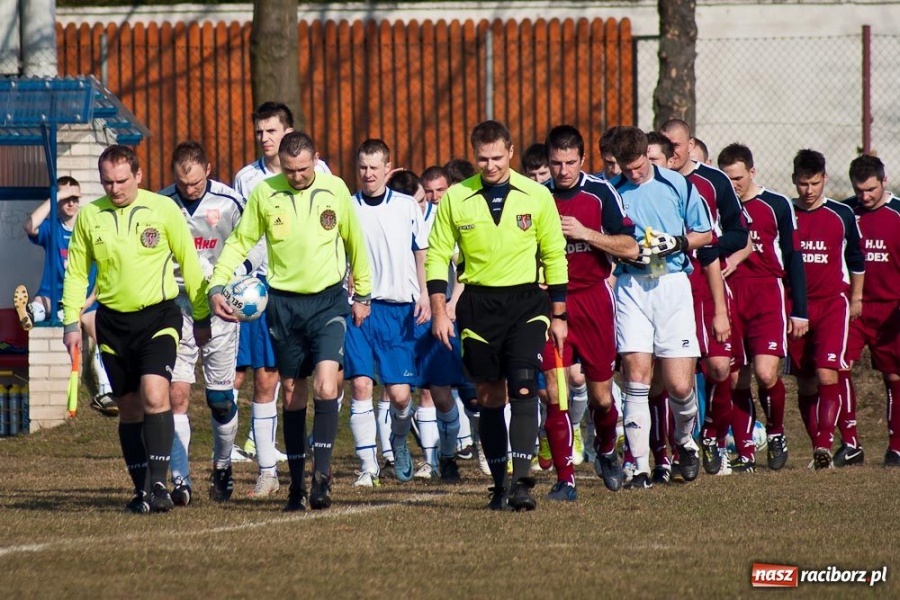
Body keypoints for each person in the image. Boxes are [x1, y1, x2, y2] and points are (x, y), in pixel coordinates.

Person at [209, 131, 371, 512]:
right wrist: (219, 281)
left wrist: (362, 293)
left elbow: (355, 243)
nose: (297, 176)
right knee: (293, 393)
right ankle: (296, 486)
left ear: (316, 159)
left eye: (303, 169)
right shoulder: (266, 193)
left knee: (327, 386)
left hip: (328, 302)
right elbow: (240, 240)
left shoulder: (336, 190)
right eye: (290, 169)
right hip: (283, 305)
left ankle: (322, 478)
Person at [426, 119, 568, 511]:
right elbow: (438, 255)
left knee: (523, 383)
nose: (490, 166)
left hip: (526, 303)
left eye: (497, 157)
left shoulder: (537, 196)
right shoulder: (456, 198)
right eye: (482, 159)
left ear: (509, 151)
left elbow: (554, 253)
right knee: (490, 396)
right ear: (475, 156)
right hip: (478, 305)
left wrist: (559, 314)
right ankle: (500, 484)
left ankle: (523, 483)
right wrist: (440, 311)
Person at [62, 145, 211, 514]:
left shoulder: (162, 211)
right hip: (113, 323)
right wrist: (70, 322)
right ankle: (142, 490)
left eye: (122, 180)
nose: (115, 189)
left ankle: (161, 484)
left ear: (139, 176)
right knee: (129, 410)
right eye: (107, 182)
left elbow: (189, 264)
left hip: (158, 317)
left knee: (156, 396)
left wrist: (203, 314)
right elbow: (77, 273)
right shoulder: (90, 217)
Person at [232, 102, 331, 498]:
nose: (264, 138)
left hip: (310, 291)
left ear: (288, 132)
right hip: (261, 292)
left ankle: (315, 461)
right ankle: (267, 471)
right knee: (264, 379)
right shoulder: (247, 179)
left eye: (272, 130)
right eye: (259, 131)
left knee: (310, 382)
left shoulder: (320, 174)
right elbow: (243, 235)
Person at [608, 126, 713, 489]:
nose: (633, 174)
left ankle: (685, 441)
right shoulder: (613, 191)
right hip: (631, 286)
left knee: (680, 386)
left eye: (638, 166)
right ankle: (637, 467)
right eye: (626, 168)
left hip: (672, 286)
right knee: (636, 377)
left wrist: (679, 242)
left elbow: (706, 233)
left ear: (647, 155)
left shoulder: (677, 184)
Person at [540, 125, 639, 501]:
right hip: (551, 304)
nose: (562, 170)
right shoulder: (536, 197)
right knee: (555, 391)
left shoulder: (601, 192)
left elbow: (629, 246)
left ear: (582, 160)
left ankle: (608, 451)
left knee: (600, 397)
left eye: (569, 162)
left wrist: (586, 233)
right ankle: (565, 480)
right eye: (555, 163)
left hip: (594, 300)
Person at [159, 141, 259, 506]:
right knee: (176, 394)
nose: (190, 190)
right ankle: (180, 480)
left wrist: (235, 275)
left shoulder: (229, 203)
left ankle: (222, 465)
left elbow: (255, 243)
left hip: (220, 306)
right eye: (183, 184)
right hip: (177, 306)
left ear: (209, 169)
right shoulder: (161, 204)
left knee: (219, 399)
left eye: (197, 183)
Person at [661, 119, 749, 476]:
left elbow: (738, 232)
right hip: (667, 284)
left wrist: (706, 245)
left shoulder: (714, 181)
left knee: (719, 367)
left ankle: (713, 435)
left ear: (690, 143)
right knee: (668, 375)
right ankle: (671, 448)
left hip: (706, 282)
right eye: (664, 145)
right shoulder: (651, 181)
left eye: (676, 145)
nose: (671, 152)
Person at [717, 143, 808, 472]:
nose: (733, 185)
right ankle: (744, 451)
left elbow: (794, 257)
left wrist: (800, 308)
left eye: (738, 178)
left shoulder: (777, 204)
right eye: (727, 179)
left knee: (767, 372)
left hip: (767, 293)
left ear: (752, 172)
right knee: (735, 377)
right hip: (730, 293)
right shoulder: (717, 204)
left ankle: (776, 432)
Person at [344, 140, 431, 485]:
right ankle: (369, 467)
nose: (368, 173)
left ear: (387, 168)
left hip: (400, 311)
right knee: (362, 384)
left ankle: (398, 439)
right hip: (361, 308)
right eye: (362, 167)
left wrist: (424, 294)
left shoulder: (407, 206)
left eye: (374, 167)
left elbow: (420, 251)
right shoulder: (347, 206)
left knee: (399, 395)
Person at [14, 176, 117, 416]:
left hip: (86, 302)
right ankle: (30, 313)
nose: (70, 204)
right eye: (65, 199)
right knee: (42, 304)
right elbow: (29, 226)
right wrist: (55, 197)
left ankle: (106, 390)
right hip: (54, 295)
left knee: (103, 335)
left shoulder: (91, 228)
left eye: (74, 198)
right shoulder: (52, 228)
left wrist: (90, 300)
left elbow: (105, 270)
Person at [788, 149, 865, 469]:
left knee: (827, 371)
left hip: (833, 303)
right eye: (803, 184)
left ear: (825, 179)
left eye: (815, 184)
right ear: (794, 181)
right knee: (805, 382)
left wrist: (857, 298)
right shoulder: (786, 212)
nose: (809, 191)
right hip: (796, 308)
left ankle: (825, 443)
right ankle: (818, 451)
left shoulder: (841, 214)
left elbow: (857, 260)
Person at [844, 155, 899, 467]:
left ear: (884, 181)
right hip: (854, 306)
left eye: (871, 190)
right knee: (836, 369)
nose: (865, 196)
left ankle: (896, 447)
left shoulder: (897, 212)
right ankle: (850, 445)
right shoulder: (846, 212)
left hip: (891, 309)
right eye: (859, 190)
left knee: (893, 375)